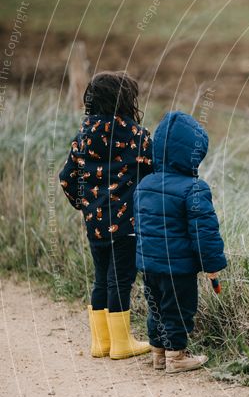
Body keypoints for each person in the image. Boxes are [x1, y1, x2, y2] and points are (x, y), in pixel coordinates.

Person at [59, 71, 153, 359]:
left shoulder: (83, 136)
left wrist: (85, 204)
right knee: (120, 280)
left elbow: (66, 178)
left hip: (95, 224)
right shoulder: (138, 137)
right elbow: (152, 174)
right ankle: (122, 343)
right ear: (125, 101)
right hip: (127, 225)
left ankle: (101, 343)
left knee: (101, 279)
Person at [134, 111, 227, 374]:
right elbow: (204, 232)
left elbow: (141, 224)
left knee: (156, 307)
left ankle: (158, 354)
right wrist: (212, 264)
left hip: (149, 264)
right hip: (179, 267)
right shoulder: (194, 188)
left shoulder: (145, 184)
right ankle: (177, 356)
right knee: (178, 309)